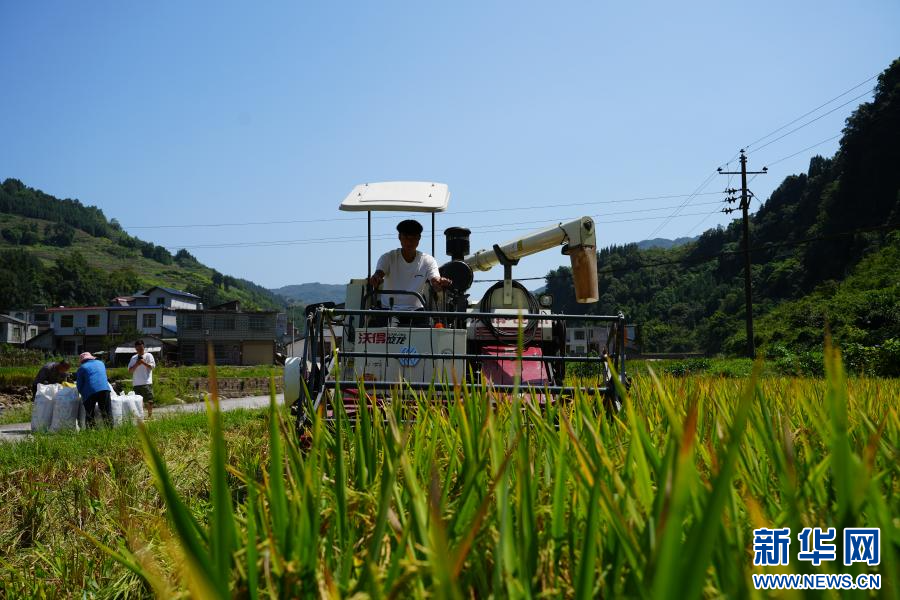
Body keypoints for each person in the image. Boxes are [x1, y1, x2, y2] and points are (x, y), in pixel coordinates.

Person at [369, 219, 452, 310]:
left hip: (416, 311)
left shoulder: (428, 260)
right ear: (399, 237)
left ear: (419, 238)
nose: (409, 242)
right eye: (406, 237)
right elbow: (379, 273)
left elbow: (435, 281)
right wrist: (376, 279)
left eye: (413, 238)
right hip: (389, 310)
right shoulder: (388, 258)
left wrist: (440, 283)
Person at [75, 352, 111, 427]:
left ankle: (91, 430)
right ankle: (110, 429)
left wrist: (81, 394)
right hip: (104, 389)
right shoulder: (101, 363)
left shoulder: (82, 368)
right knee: (106, 412)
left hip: (90, 391)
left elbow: (79, 384)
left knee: (90, 414)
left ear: (82, 361)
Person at [128, 339, 156, 418]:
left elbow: (152, 367)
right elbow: (130, 371)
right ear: (135, 349)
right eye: (138, 349)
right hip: (136, 383)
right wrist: (137, 364)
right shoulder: (133, 358)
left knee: (149, 400)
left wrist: (143, 362)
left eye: (141, 348)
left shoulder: (149, 355)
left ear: (144, 347)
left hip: (146, 382)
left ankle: (150, 416)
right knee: (138, 401)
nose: (139, 350)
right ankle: (141, 416)